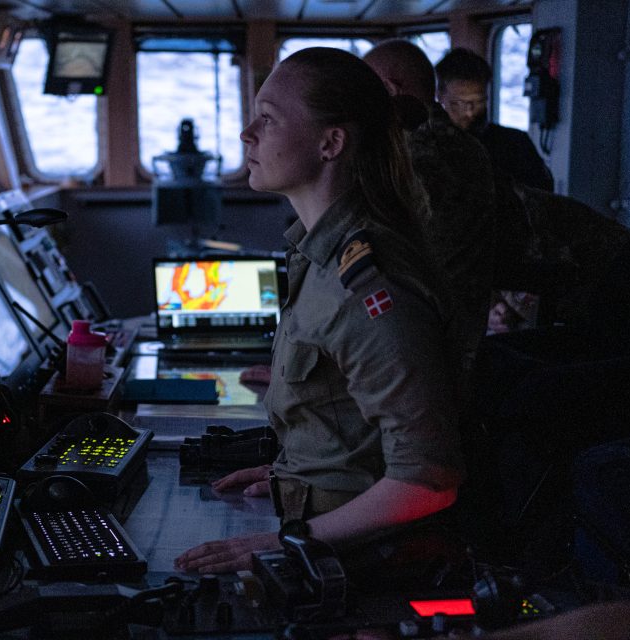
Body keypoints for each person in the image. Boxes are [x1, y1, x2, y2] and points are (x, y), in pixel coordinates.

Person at [174, 47, 464, 575]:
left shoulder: (370, 284)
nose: (247, 134)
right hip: (311, 520)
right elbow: (345, 422)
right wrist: (292, 479)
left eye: (268, 119)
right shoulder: (315, 254)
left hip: (357, 561)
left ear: (330, 143)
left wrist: (290, 542)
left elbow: (428, 481)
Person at [364, 39, 496, 393]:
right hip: (450, 349)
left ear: (389, 89)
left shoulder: (415, 158)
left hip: (422, 358)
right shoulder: (463, 146)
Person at [435, 47, 554, 192]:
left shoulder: (515, 145)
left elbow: (542, 193)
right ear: (440, 96)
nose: (469, 112)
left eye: (479, 102)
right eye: (458, 103)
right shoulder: (427, 146)